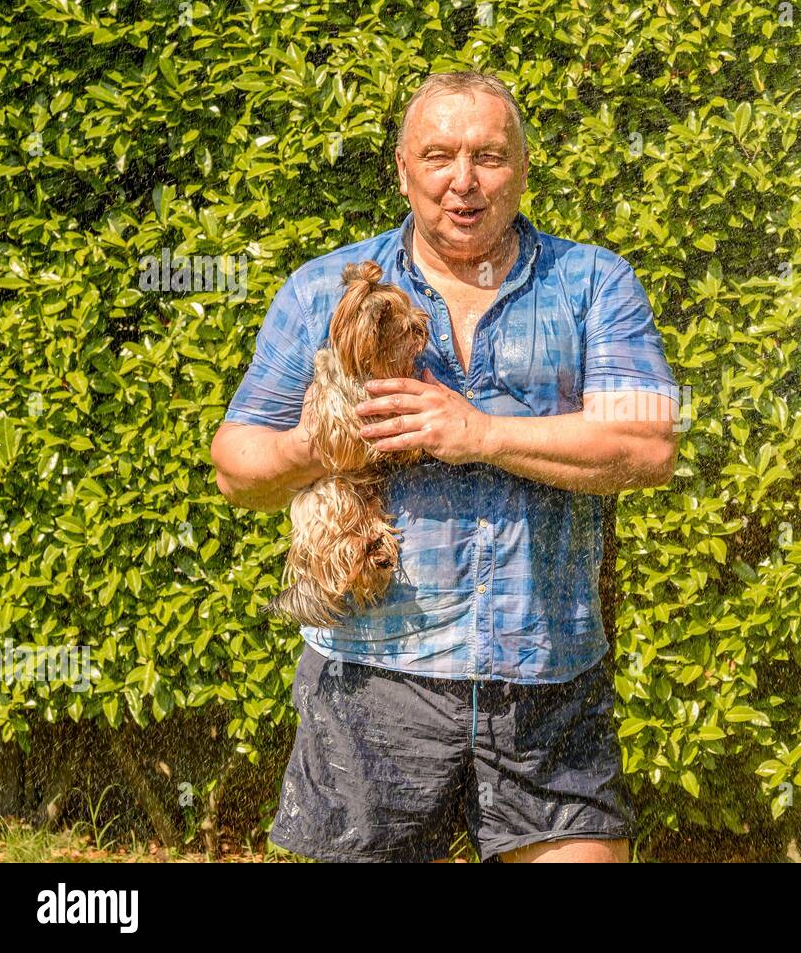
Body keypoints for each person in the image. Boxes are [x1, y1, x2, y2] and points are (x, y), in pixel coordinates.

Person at [210, 70, 680, 863]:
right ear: (402, 169)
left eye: (489, 157)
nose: (463, 181)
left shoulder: (592, 281)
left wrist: (479, 432)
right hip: (371, 681)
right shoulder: (324, 287)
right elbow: (237, 467)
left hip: (547, 678)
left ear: (523, 169)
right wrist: (316, 446)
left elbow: (647, 446)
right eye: (439, 155)